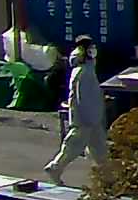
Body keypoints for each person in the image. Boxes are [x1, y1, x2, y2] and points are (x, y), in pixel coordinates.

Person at [42, 36, 106, 175]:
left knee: (99, 148)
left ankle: (106, 175)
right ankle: (55, 167)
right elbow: (82, 98)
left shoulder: (85, 69)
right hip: (86, 119)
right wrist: (91, 116)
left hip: (91, 118)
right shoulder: (84, 72)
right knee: (74, 146)